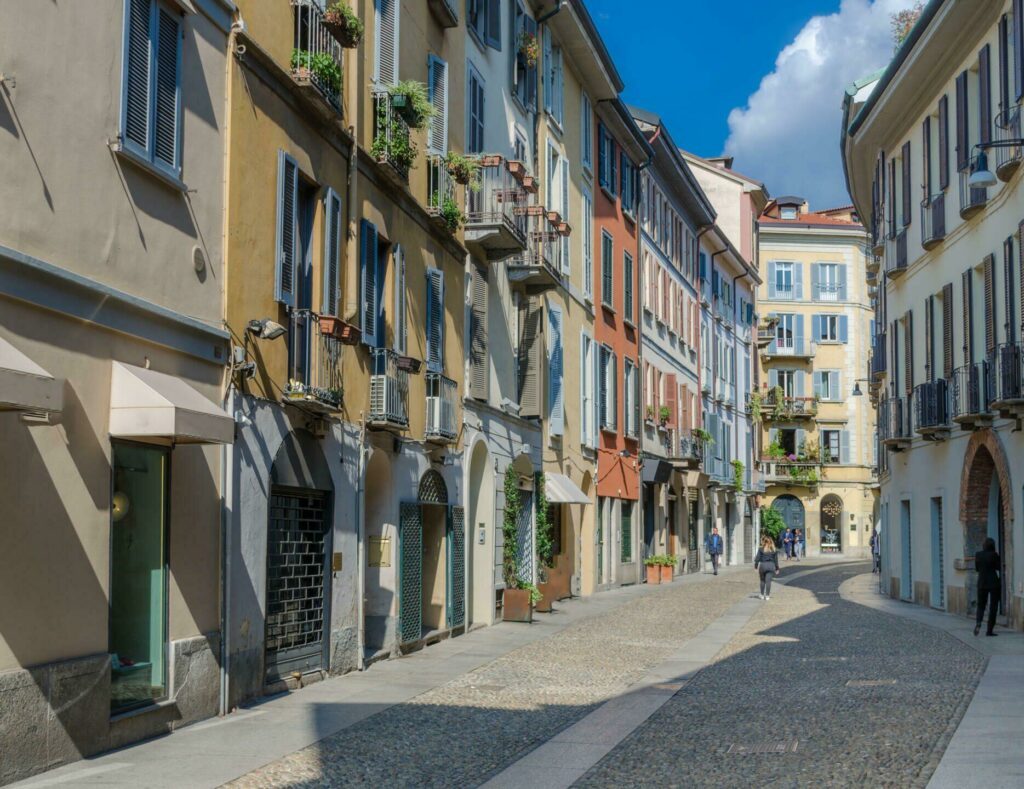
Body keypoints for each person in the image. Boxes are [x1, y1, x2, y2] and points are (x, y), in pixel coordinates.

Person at [974, 537, 1002, 637]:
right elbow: (999, 567)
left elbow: (977, 568)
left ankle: (978, 622)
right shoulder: (994, 555)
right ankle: (989, 630)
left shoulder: (978, 554)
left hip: (981, 582)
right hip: (994, 583)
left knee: (980, 605)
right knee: (993, 607)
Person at [754, 535, 780, 600]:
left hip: (763, 565)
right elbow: (776, 560)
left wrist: (756, 567)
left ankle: (762, 595)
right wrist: (777, 568)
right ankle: (767, 596)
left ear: (764, 541)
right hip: (771, 565)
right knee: (768, 581)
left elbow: (757, 559)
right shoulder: (774, 550)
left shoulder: (761, 549)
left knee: (762, 581)